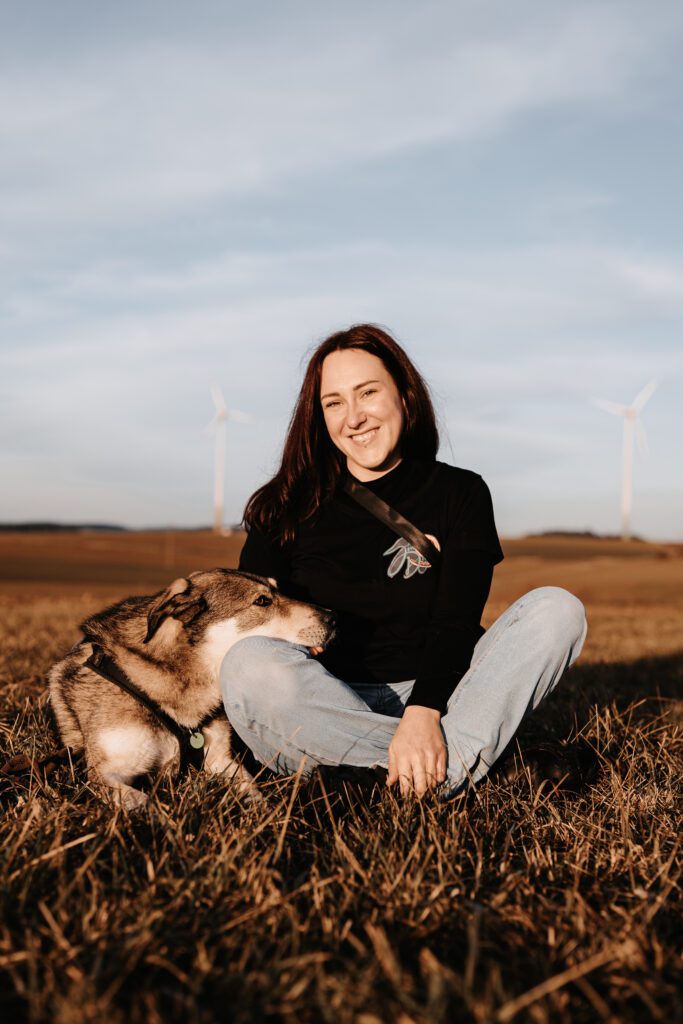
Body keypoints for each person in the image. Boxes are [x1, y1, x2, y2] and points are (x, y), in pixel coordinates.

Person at [220, 324, 587, 798]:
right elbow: (253, 619)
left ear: (405, 396)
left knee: (558, 609)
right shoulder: (282, 505)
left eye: (367, 393)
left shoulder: (460, 494)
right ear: (319, 417)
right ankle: (455, 770)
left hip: (443, 697)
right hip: (322, 704)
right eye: (334, 403)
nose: (353, 418)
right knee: (248, 663)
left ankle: (369, 779)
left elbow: (456, 621)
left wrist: (424, 712)